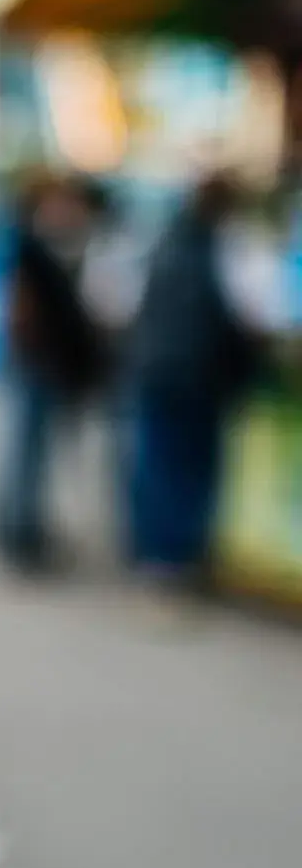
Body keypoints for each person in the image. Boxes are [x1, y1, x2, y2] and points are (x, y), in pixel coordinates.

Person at [121, 170, 268, 596]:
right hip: (194, 375)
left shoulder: (165, 241)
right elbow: (242, 314)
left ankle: (156, 556)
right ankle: (176, 559)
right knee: (189, 468)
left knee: (157, 464)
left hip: (156, 370)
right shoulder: (221, 248)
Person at [0, 171, 110, 572]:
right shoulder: (33, 250)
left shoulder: (54, 249)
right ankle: (20, 533)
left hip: (46, 364)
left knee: (31, 453)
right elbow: (21, 311)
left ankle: (22, 529)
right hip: (36, 363)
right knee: (28, 452)